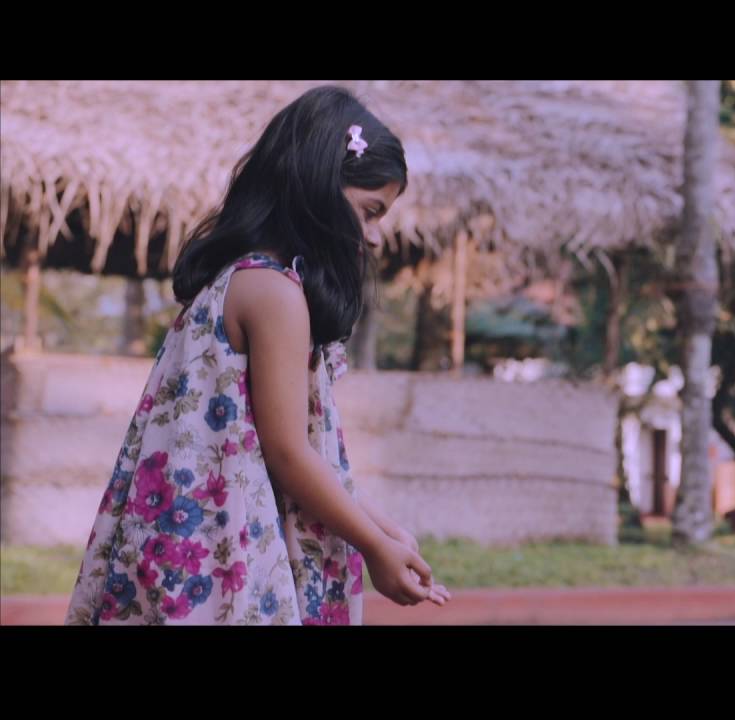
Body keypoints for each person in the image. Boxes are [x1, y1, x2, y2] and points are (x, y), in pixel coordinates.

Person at [65, 85, 450, 625]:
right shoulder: (273, 293)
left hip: (192, 540)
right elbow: (289, 455)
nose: (375, 236)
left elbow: (288, 453)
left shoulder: (241, 280)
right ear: (317, 189)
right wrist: (374, 548)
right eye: (369, 211)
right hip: (229, 553)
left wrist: (383, 528)